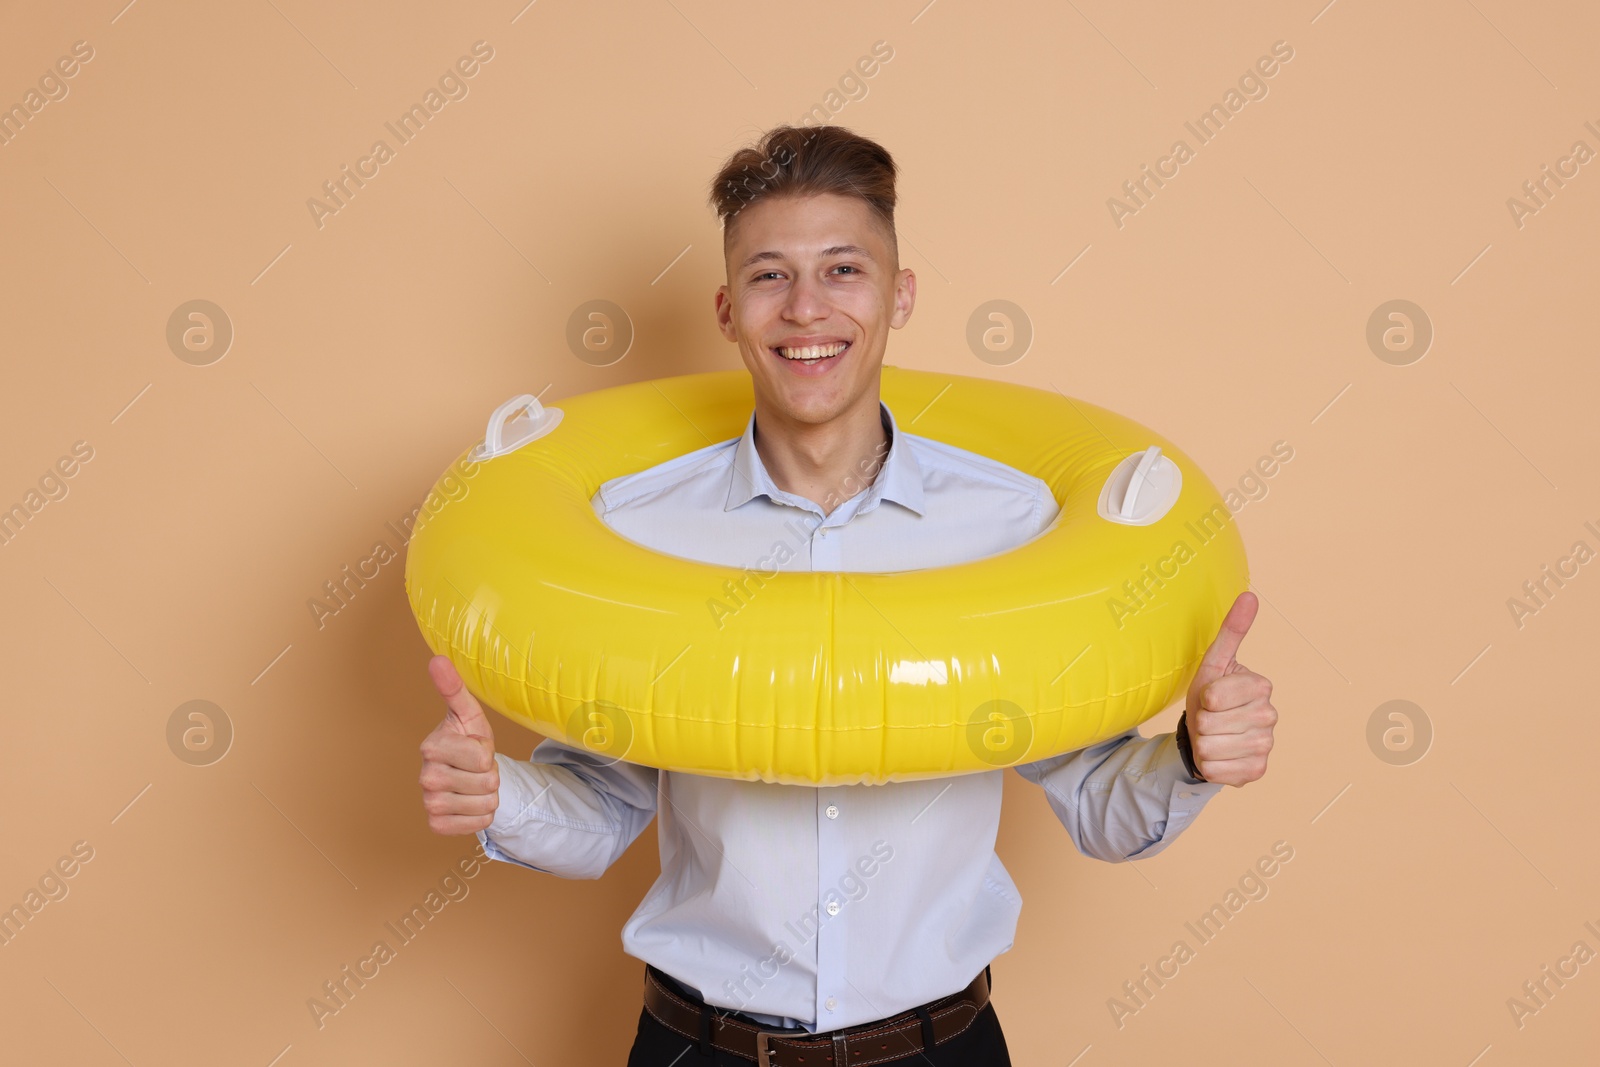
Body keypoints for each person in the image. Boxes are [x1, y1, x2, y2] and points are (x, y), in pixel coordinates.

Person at [417, 124, 1279, 1066]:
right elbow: (603, 804)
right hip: (699, 1045)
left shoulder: (1009, 524)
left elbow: (1101, 804)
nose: (806, 309)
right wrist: (500, 794)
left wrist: (1194, 755)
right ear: (726, 307)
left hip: (939, 1045)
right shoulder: (641, 527)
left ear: (899, 294)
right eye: (769, 275)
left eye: (843, 270)